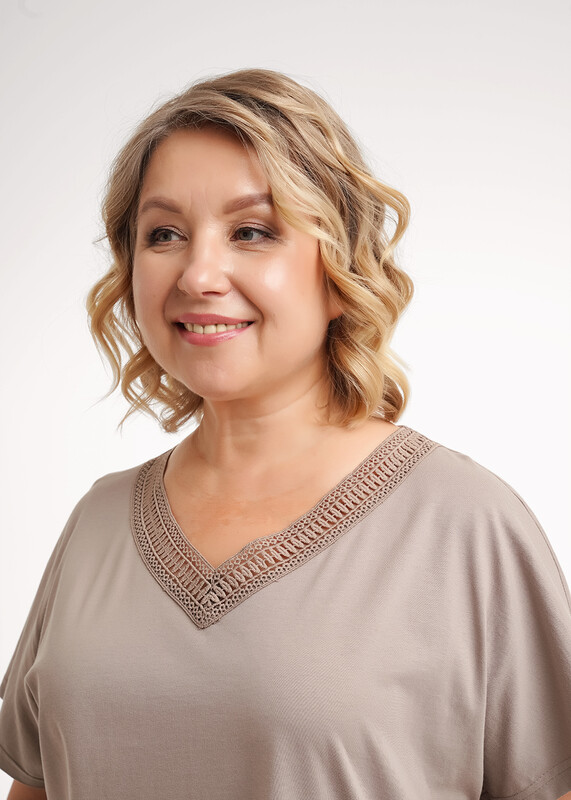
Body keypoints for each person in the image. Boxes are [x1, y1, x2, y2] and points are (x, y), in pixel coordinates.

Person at [0, 69, 570, 800]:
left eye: (252, 232)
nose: (199, 274)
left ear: (340, 267)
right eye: (164, 234)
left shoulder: (465, 524)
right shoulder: (97, 523)